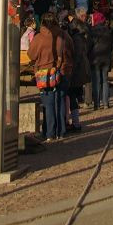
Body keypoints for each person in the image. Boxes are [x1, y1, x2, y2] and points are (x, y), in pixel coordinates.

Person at [28, 13, 66, 142]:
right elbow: (62, 53)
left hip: (43, 72)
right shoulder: (60, 35)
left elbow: (31, 55)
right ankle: (60, 131)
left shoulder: (39, 37)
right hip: (56, 71)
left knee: (48, 103)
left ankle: (49, 132)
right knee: (59, 102)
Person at [88, 11, 113, 109]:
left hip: (95, 58)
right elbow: (112, 44)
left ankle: (97, 104)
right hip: (106, 58)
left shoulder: (92, 31)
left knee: (96, 81)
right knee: (105, 80)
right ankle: (106, 103)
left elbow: (89, 45)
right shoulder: (108, 30)